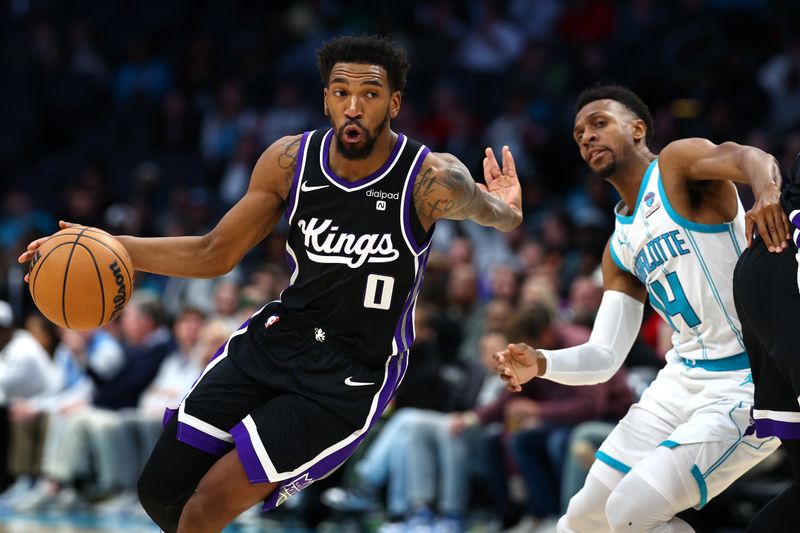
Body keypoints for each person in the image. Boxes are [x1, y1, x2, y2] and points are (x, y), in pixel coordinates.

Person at [19, 35, 522, 533]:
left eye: (369, 94)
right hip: (279, 338)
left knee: (203, 511)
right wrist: (112, 245)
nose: (353, 106)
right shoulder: (288, 161)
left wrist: (508, 209)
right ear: (325, 98)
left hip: (350, 373)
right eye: (340, 91)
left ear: (393, 103)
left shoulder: (428, 179)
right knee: (160, 495)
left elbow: (490, 210)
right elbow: (215, 252)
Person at [493, 84, 788, 533]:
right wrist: (542, 363)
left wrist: (767, 193)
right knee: (579, 522)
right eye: (578, 135)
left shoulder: (676, 165)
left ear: (637, 128)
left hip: (747, 381)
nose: (587, 137)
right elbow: (605, 356)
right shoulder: (619, 246)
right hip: (678, 382)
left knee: (628, 512)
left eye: (599, 123)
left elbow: (749, 156)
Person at [732, 152, 800, 533]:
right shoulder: (677, 157)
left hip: (768, 270)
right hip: (783, 263)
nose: (589, 138)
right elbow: (749, 156)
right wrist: (768, 188)